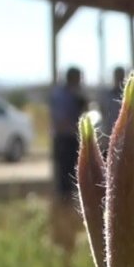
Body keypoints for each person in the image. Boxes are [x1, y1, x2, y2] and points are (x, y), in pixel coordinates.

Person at [49, 66, 88, 251]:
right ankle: (63, 225)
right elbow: (61, 119)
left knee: (70, 179)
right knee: (64, 182)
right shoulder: (64, 95)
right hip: (65, 139)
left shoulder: (68, 94)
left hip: (69, 139)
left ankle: (68, 223)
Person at [98, 66, 127, 150]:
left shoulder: (126, 96)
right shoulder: (107, 95)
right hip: (109, 133)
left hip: (125, 135)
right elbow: (103, 112)